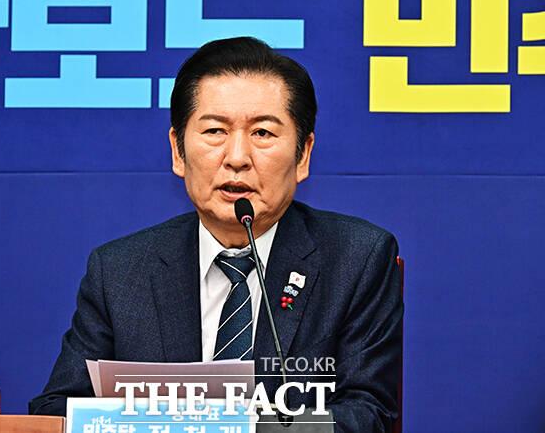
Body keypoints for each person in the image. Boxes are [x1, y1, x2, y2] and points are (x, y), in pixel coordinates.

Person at [29, 37, 403, 433]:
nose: (237, 157)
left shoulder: (357, 259)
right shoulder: (119, 272)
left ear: (303, 155)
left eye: (263, 133)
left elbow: (369, 413)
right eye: (214, 131)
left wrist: (230, 427)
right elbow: (57, 411)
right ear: (178, 151)